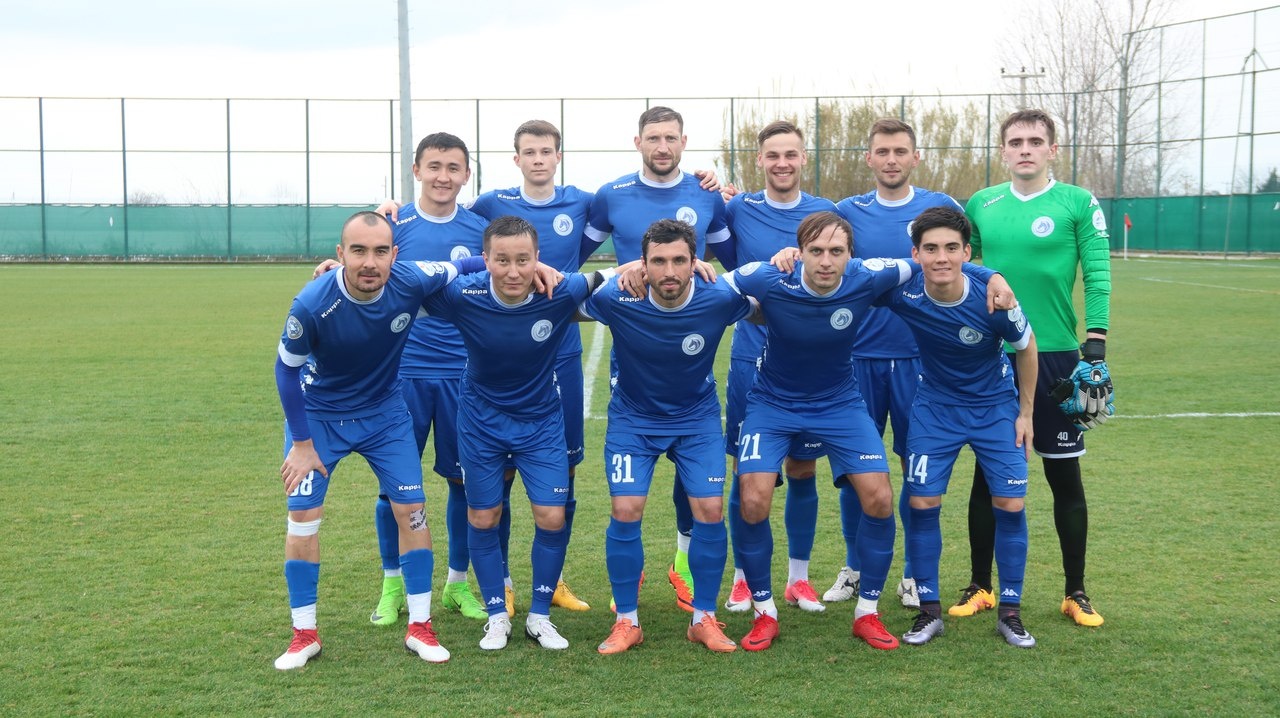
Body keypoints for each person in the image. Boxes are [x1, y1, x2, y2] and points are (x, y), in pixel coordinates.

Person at [727, 211, 1013, 651]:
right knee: (753, 498)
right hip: (773, 403)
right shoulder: (769, 277)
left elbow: (935, 262)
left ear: (850, 255)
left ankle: (867, 613)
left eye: (836, 251)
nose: (826, 261)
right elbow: (704, 284)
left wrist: (991, 275)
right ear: (799, 253)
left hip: (840, 402)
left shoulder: (867, 275)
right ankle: (764, 612)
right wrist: (634, 269)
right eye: (816, 251)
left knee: (879, 497)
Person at [272, 211, 466, 669]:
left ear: (395, 255)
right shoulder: (312, 303)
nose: (369, 262)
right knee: (303, 519)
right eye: (358, 251)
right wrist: (302, 445)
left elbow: (470, 264)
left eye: (380, 251)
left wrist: (537, 266)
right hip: (319, 419)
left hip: (385, 416)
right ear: (340, 254)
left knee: (412, 511)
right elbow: (285, 370)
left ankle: (420, 627)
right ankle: (304, 635)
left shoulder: (411, 278)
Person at [956, 109, 1113, 627]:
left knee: (1064, 475)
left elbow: (1097, 273)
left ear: (1052, 149)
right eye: (1016, 141)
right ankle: (981, 586)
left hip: (1056, 357)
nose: (1025, 149)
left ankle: (1076, 592)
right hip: (992, 357)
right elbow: (963, 268)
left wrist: (1096, 343)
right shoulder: (981, 204)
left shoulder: (1077, 202)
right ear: (1003, 150)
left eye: (1035, 141)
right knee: (987, 476)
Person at [421, 215, 603, 651]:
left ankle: (540, 617)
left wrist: (650, 267)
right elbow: (401, 286)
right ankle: (496, 616)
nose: (514, 271)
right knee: (484, 517)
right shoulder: (464, 294)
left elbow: (610, 278)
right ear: (485, 260)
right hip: (480, 424)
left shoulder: (560, 291)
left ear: (538, 258)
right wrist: (340, 274)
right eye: (502, 260)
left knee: (552, 517)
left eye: (524, 260)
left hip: (540, 424)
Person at [581, 105, 736, 610]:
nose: (662, 146)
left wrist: (708, 267)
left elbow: (735, 262)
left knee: (697, 484)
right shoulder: (611, 195)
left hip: (689, 339)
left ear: (684, 142)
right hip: (636, 346)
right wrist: (619, 273)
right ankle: (631, 578)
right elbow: (569, 262)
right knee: (630, 498)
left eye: (671, 138)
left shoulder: (707, 192)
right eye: (653, 138)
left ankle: (683, 563)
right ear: (638, 142)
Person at [582, 219, 750, 654]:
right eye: (658, 261)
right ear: (643, 263)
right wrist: (614, 274)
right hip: (633, 421)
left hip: (696, 420)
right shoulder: (617, 296)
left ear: (696, 262)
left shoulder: (718, 296)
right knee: (626, 509)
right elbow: (564, 299)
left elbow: (771, 301)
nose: (669, 271)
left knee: (710, 510)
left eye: (679, 260)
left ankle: (703, 618)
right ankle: (627, 621)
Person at [874, 206, 1038, 648]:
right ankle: (928, 611)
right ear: (916, 254)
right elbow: (851, 277)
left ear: (967, 253)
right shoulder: (905, 291)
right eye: (930, 249)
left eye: (951, 248)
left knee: (1010, 504)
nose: (941, 257)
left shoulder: (994, 299)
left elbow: (1027, 347)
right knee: (922, 503)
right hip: (935, 409)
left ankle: (1010, 613)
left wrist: (1025, 414)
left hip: (995, 409)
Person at [827, 119, 966, 610]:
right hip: (857, 358)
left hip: (919, 360)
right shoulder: (847, 212)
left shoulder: (941, 208)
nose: (891, 160)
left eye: (900, 151)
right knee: (856, 469)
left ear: (915, 157)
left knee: (916, 469)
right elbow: (825, 261)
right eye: (882, 151)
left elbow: (964, 265)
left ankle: (912, 573)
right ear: (868, 158)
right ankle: (854, 566)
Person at [466, 120, 597, 614]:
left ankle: (554, 580)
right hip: (504, 354)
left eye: (546, 151)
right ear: (516, 158)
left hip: (560, 353)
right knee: (495, 477)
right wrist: (391, 210)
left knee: (565, 468)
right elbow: (445, 221)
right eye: (529, 151)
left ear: (558, 156)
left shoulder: (585, 202)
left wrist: (716, 187)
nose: (538, 159)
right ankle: (501, 582)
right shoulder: (490, 204)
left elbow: (648, 211)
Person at [364, 132, 492, 626]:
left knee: (466, 484)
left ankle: (457, 585)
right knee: (392, 488)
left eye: (453, 167)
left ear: (466, 175)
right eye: (434, 166)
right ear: (416, 170)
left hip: (465, 375)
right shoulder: (394, 226)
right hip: (402, 374)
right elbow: (361, 273)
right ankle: (392, 585)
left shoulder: (481, 229)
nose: (443, 176)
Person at [720, 120, 836, 615]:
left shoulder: (827, 213)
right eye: (773, 155)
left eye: (791, 154)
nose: (782, 163)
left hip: (810, 362)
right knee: (745, 470)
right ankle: (743, 579)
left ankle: (798, 579)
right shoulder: (736, 208)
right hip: (752, 355)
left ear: (804, 158)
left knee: (803, 467)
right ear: (760, 160)